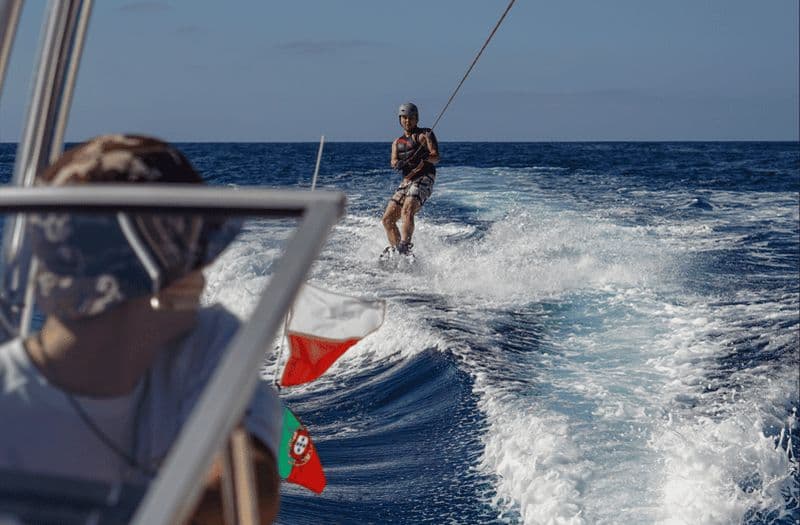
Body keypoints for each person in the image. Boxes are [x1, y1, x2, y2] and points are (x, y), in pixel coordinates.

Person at [0, 135, 281, 524]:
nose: (202, 276)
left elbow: (251, 492)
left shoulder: (209, 343)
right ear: (156, 278)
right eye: (194, 257)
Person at [381, 102, 440, 256]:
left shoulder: (425, 134)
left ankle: (405, 245)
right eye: (404, 118)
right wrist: (398, 163)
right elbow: (393, 162)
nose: (408, 121)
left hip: (424, 177)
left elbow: (436, 157)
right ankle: (399, 253)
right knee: (387, 219)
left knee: (407, 209)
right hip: (407, 180)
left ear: (417, 118)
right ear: (400, 119)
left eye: (411, 118)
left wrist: (425, 157)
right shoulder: (396, 143)